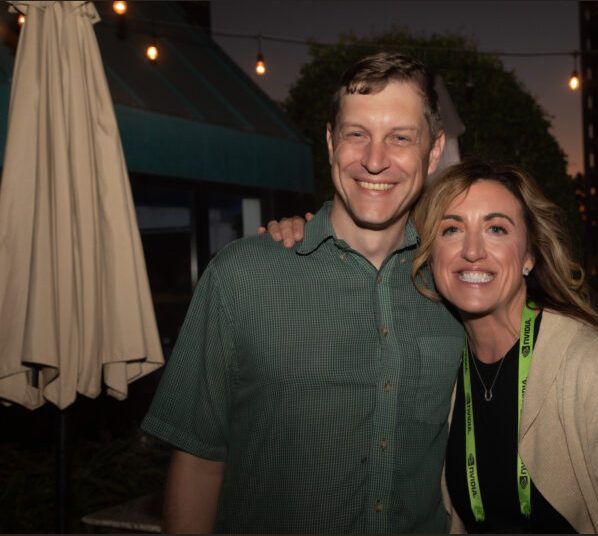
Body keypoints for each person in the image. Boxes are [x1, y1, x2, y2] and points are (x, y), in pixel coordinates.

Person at [269, 160, 598, 533]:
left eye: (496, 228)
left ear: (528, 255)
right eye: (452, 229)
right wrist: (308, 236)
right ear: (431, 254)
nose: (472, 251)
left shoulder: (594, 366)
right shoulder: (440, 360)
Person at [140, 52, 466, 533]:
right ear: (332, 142)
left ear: (433, 151)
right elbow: (198, 461)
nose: (375, 160)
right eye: (357, 134)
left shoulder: (454, 287)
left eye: (400, 137)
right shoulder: (242, 277)